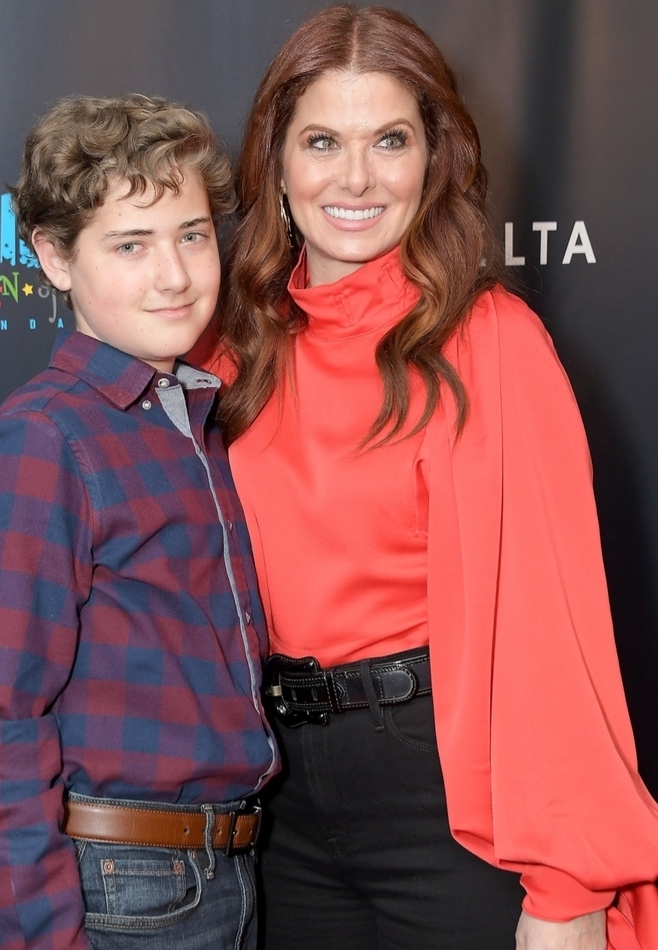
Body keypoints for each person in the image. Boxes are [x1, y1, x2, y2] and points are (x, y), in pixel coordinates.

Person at [212, 6, 658, 949]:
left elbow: (552, 625)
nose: (357, 177)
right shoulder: (229, 352)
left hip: (445, 795)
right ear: (276, 162)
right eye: (322, 141)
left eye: (391, 140)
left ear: (434, 159)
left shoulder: (490, 343)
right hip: (274, 803)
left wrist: (568, 883)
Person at [0, 94, 279, 950]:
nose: (175, 274)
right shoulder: (40, 442)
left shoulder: (195, 421)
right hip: (116, 894)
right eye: (131, 244)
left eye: (192, 235)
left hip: (228, 873)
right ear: (53, 257)